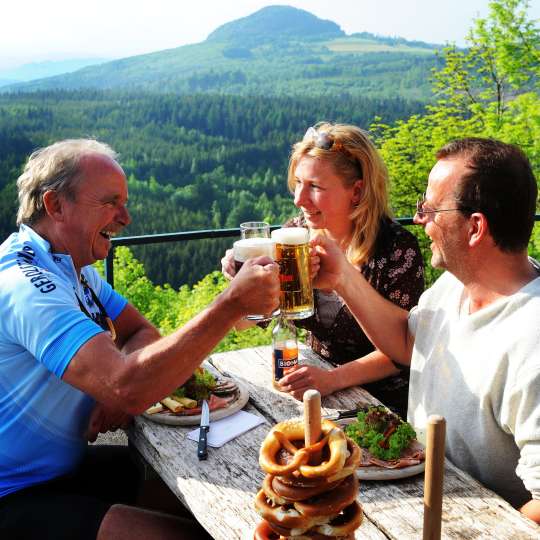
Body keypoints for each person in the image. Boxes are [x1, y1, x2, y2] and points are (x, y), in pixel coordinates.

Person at [0, 139, 280, 540]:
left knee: (224, 509)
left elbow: (140, 332)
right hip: (13, 495)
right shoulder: (28, 285)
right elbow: (127, 387)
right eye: (111, 202)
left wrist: (105, 385)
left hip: (60, 470)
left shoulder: (71, 270)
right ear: (55, 205)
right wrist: (231, 304)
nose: (126, 218)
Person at [311, 137, 540, 521]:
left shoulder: (530, 340)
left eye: (430, 209)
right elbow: (407, 342)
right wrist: (343, 278)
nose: (419, 219)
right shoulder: (455, 285)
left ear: (475, 228)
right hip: (414, 495)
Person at [223, 123, 424, 418]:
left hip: (384, 406)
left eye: (314, 187)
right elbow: (244, 323)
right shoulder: (295, 234)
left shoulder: (396, 250)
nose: (298, 199)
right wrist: (241, 288)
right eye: (299, 183)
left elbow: (402, 349)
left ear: (356, 191)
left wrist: (332, 379)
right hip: (315, 389)